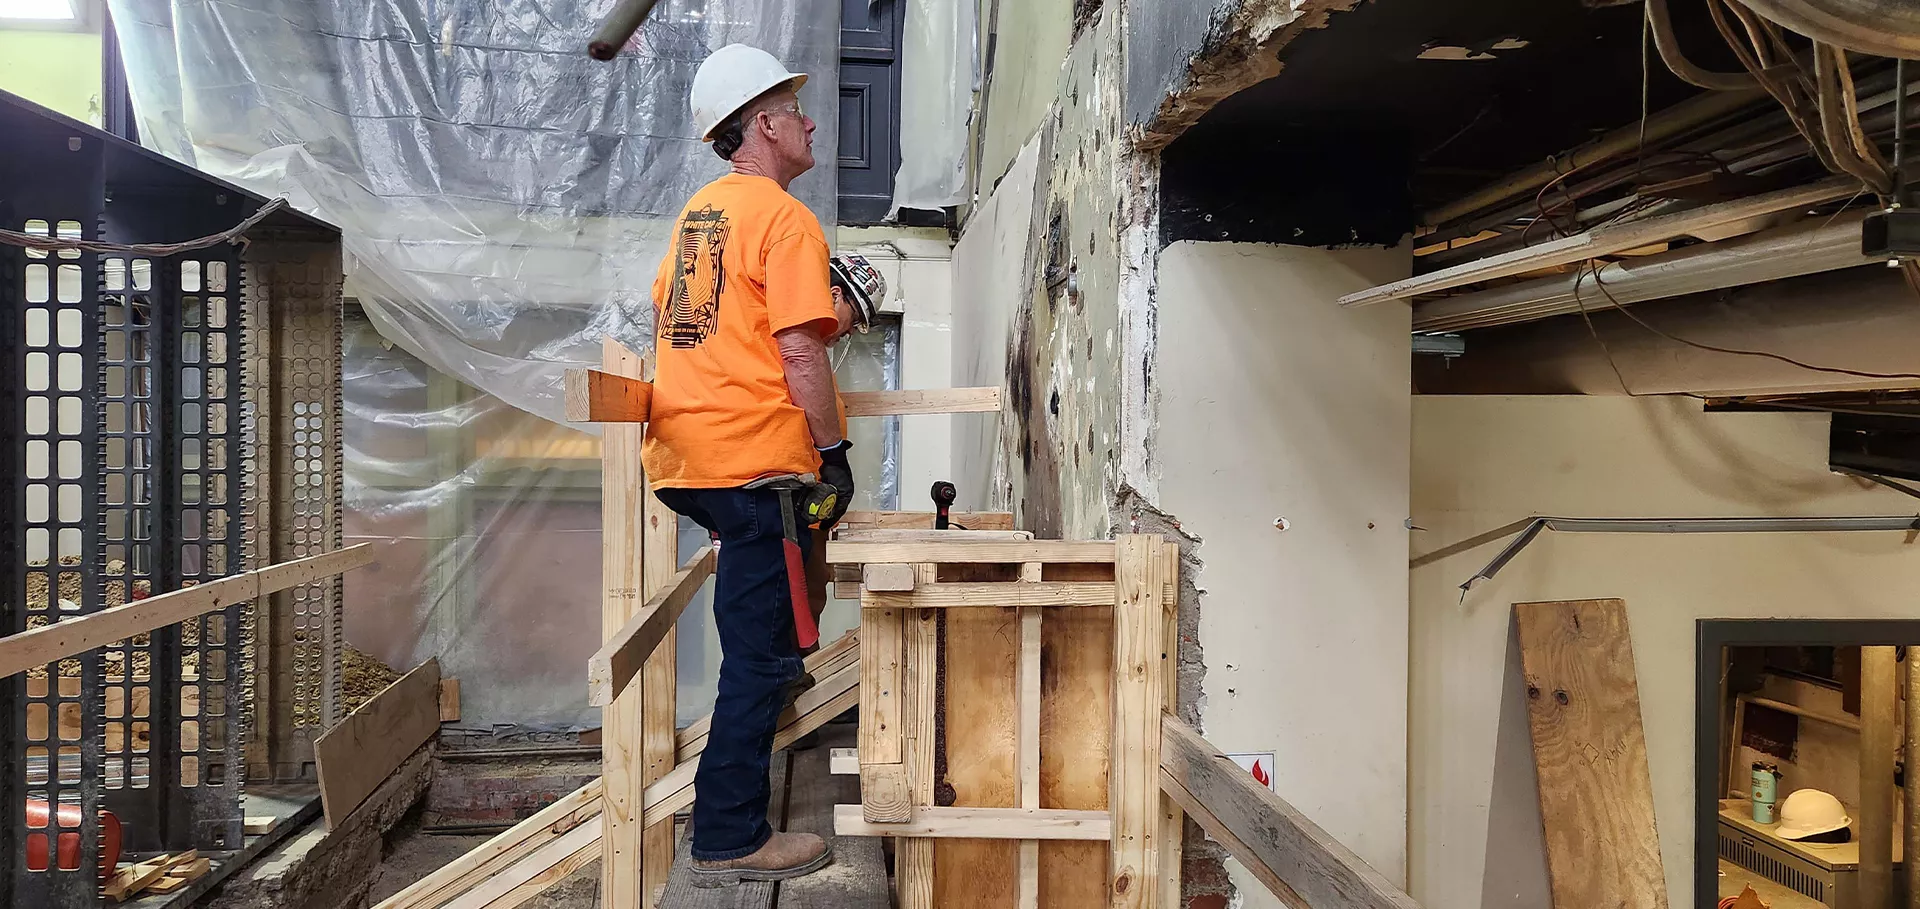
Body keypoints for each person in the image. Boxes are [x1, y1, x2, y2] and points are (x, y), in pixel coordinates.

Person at [643, 43, 853, 887]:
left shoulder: (702, 215)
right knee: (757, 658)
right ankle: (730, 837)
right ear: (763, 124)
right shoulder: (786, 217)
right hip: (752, 461)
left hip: (690, 456)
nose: (809, 121)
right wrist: (833, 455)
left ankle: (781, 655)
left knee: (773, 608)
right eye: (795, 109)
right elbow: (799, 353)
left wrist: (833, 311)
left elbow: (703, 325)